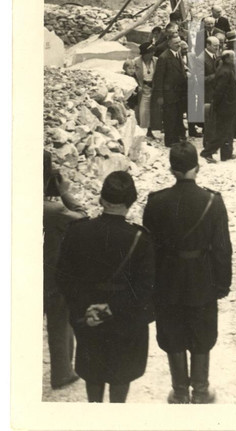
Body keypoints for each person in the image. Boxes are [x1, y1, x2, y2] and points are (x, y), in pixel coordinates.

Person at [143, 142, 232, 404]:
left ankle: (180, 390)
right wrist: (223, 283)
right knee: (202, 331)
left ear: (171, 170)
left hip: (167, 278)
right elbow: (222, 248)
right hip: (202, 276)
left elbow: (150, 250)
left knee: (171, 331)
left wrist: (152, 286)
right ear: (198, 167)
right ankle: (201, 391)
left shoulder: (156, 202)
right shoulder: (212, 201)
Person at [55, 171, 155, 403]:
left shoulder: (78, 231)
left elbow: (63, 278)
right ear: (131, 202)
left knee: (93, 376)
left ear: (101, 200)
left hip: (88, 319)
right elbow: (144, 288)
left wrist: (85, 310)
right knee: (121, 378)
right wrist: (111, 309)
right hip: (125, 321)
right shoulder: (140, 238)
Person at [43, 152, 87, 391]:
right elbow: (83, 216)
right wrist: (64, 193)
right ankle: (62, 371)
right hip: (49, 273)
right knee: (59, 318)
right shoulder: (53, 210)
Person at [200, 50, 236, 163]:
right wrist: (215, 106)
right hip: (225, 107)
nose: (235, 59)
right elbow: (219, 91)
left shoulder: (227, 69)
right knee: (222, 132)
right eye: (233, 57)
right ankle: (207, 152)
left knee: (228, 131)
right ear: (227, 59)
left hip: (228, 105)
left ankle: (226, 153)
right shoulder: (224, 72)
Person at [151, 32, 188, 147]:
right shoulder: (164, 57)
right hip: (169, 94)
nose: (178, 45)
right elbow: (159, 78)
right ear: (169, 44)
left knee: (177, 116)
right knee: (169, 117)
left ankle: (176, 138)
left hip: (179, 93)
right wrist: (160, 96)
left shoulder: (178, 54)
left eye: (179, 42)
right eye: (175, 43)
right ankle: (170, 141)